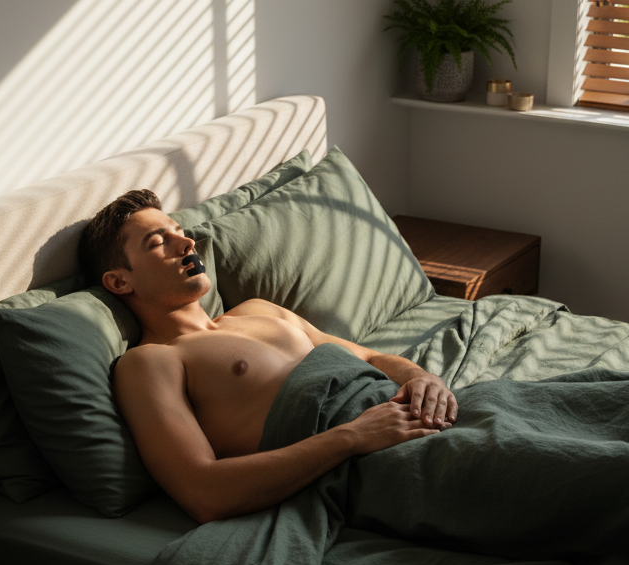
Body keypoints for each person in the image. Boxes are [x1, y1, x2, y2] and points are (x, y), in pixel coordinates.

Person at [78, 189, 458, 524]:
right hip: (371, 456)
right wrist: (353, 437)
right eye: (158, 241)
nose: (186, 244)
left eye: (181, 232)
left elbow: (370, 357)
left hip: (420, 412)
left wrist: (421, 378)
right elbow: (202, 492)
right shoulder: (150, 362)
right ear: (119, 281)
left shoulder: (257, 310)